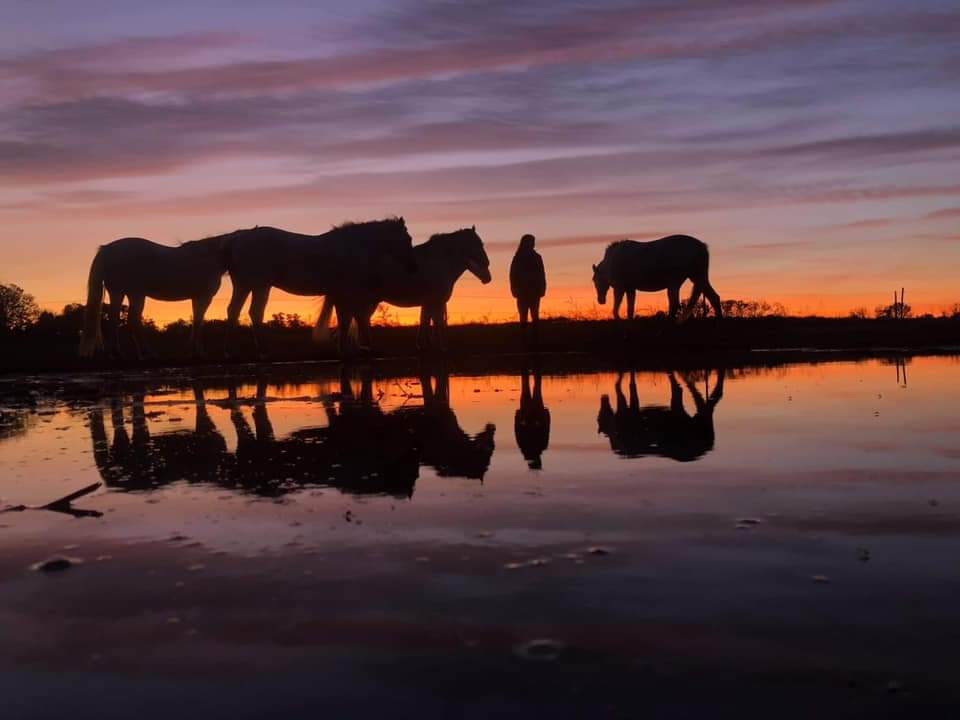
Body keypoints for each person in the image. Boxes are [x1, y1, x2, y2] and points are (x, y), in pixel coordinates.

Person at [509, 234, 546, 343]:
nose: (533, 244)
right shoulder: (518, 257)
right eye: (531, 241)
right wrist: (514, 288)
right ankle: (525, 339)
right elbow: (513, 275)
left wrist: (542, 287)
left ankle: (535, 339)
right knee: (523, 316)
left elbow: (541, 274)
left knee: (534, 315)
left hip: (533, 291)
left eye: (533, 241)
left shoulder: (536, 257)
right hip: (522, 291)